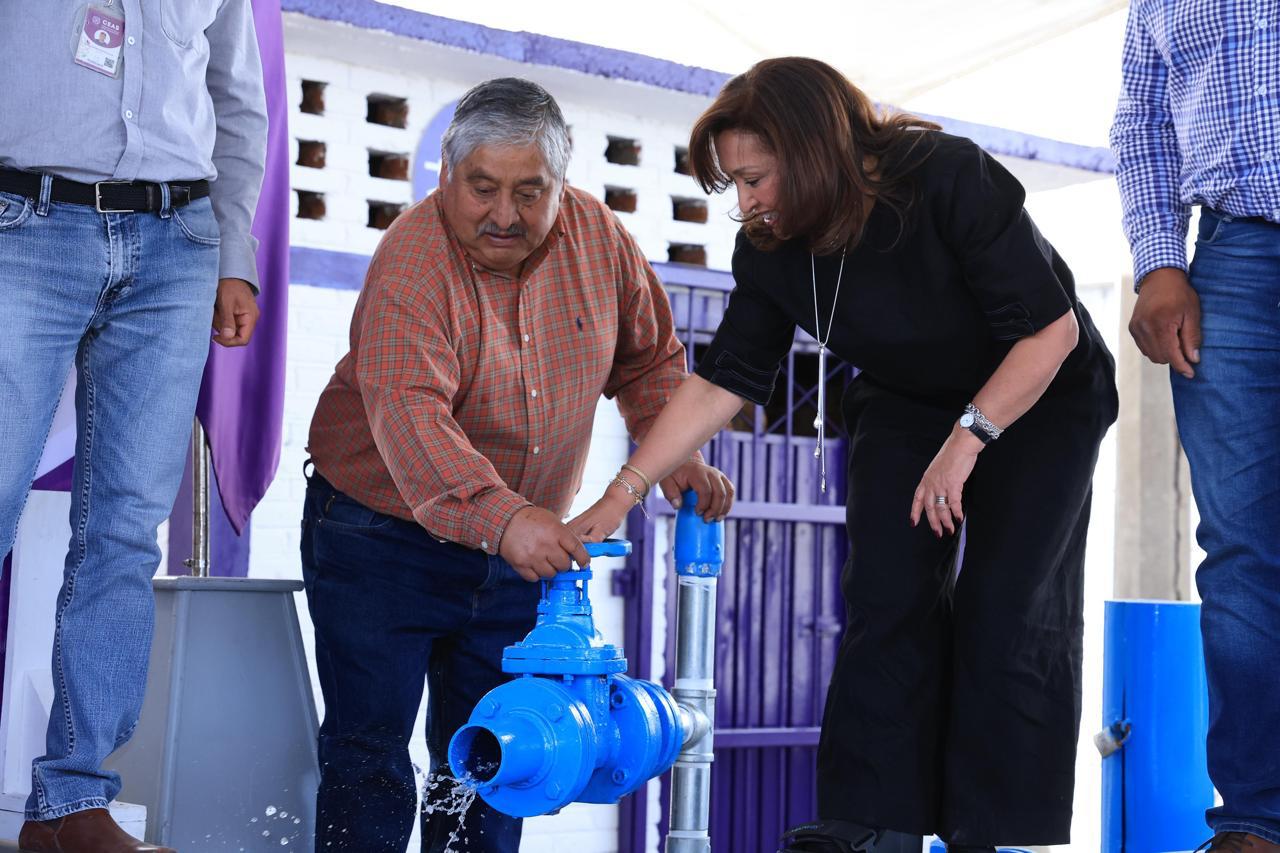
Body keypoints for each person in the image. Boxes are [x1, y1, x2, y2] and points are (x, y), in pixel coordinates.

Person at [571, 57, 1119, 851]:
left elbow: (1052, 329)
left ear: (813, 146)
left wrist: (966, 441)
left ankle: (987, 829)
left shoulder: (947, 175)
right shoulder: (769, 249)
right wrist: (621, 493)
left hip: (1041, 390)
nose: (747, 203)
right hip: (908, 398)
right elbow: (726, 379)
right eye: (735, 185)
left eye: (756, 178)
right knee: (887, 591)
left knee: (1005, 607)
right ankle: (872, 824)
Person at [301, 77, 734, 853]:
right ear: (446, 174)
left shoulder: (599, 239)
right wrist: (506, 517)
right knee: (370, 760)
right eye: (484, 188)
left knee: (500, 763)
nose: (505, 214)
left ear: (561, 187)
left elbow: (649, 363)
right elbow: (410, 415)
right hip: (379, 536)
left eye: (530, 192)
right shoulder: (411, 261)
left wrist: (674, 454)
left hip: (516, 553)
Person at [0, 3, 267, 852]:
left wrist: (234, 253)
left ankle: (72, 802)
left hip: (176, 244)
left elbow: (234, 97)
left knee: (123, 530)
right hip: (21, 226)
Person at [1111, 4, 1280, 850]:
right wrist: (1159, 260)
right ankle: (1256, 819)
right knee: (1244, 548)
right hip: (1235, 257)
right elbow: (1140, 127)